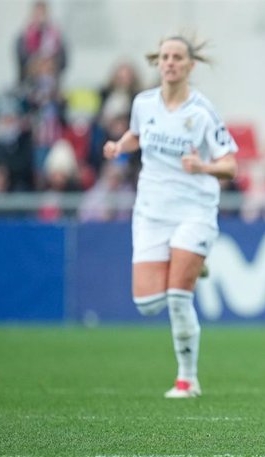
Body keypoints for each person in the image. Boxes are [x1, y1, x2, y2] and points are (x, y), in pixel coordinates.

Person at [103, 35, 238, 398]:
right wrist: (119, 146)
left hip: (194, 208)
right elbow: (136, 134)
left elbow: (231, 166)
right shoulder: (143, 103)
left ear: (190, 65)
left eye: (178, 57)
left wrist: (203, 166)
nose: (170, 62)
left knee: (179, 297)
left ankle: (187, 380)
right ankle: (193, 262)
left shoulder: (202, 111)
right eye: (165, 56)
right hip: (151, 210)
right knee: (147, 305)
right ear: (158, 62)